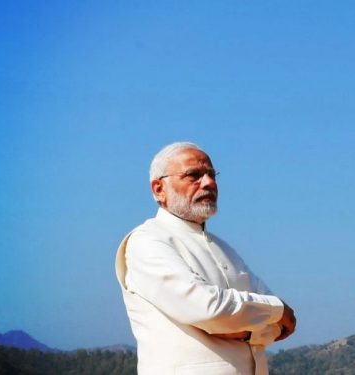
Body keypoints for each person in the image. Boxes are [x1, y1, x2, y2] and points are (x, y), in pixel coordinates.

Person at [115, 142, 296, 375]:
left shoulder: (226, 250)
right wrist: (277, 310)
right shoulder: (146, 241)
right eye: (194, 175)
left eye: (212, 175)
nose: (209, 183)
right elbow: (207, 308)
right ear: (159, 189)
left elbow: (276, 327)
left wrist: (248, 332)